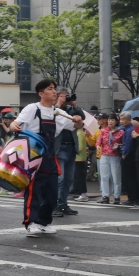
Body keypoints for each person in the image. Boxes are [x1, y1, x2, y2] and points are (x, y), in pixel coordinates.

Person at [9, 79, 83, 237]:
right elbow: (16, 123)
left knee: (52, 192)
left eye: (55, 89)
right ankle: (31, 222)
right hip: (34, 154)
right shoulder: (32, 108)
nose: (54, 91)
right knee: (34, 190)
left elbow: (76, 127)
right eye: (50, 89)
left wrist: (78, 121)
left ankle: (43, 222)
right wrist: (13, 126)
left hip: (50, 155)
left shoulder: (60, 113)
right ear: (41, 94)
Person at [54, 88, 83, 217]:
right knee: (58, 179)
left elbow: (82, 119)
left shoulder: (71, 110)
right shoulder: (53, 109)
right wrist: (59, 103)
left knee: (68, 179)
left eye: (67, 96)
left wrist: (75, 105)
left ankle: (62, 204)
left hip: (71, 147)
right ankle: (53, 205)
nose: (66, 98)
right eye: (63, 96)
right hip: (59, 148)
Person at [96, 114, 123, 204]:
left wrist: (119, 146)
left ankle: (116, 197)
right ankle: (105, 196)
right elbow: (98, 142)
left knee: (116, 178)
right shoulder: (103, 131)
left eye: (112, 120)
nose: (110, 121)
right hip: (104, 155)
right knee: (104, 177)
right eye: (109, 120)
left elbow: (124, 143)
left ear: (116, 121)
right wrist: (98, 147)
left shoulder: (120, 132)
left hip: (115, 156)